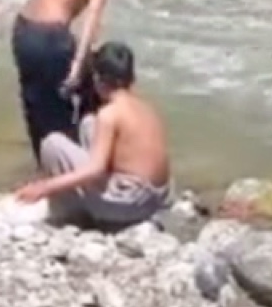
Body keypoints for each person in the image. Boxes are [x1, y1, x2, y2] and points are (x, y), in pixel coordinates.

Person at [10, 0, 136, 161]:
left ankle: (44, 167)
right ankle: (92, 161)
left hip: (22, 30)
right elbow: (92, 17)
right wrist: (77, 64)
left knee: (36, 104)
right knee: (87, 91)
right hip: (49, 37)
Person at [14, 41, 170, 227]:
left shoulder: (110, 114)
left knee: (52, 143)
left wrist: (44, 188)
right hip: (156, 198)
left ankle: (68, 212)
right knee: (89, 123)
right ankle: (81, 199)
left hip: (128, 204)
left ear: (98, 79)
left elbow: (95, 169)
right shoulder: (146, 107)